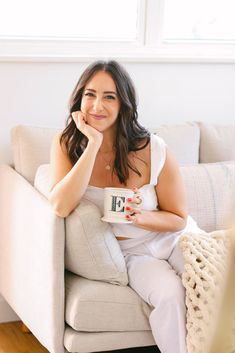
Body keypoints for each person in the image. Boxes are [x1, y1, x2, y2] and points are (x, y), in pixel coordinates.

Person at [49, 60, 201, 353]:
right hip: (132, 255)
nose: (97, 105)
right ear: (79, 98)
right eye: (90, 94)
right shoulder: (67, 144)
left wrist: (140, 216)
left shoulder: (152, 148)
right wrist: (92, 144)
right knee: (169, 295)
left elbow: (179, 219)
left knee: (208, 283)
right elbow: (60, 205)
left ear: (124, 104)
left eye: (109, 96)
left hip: (174, 239)